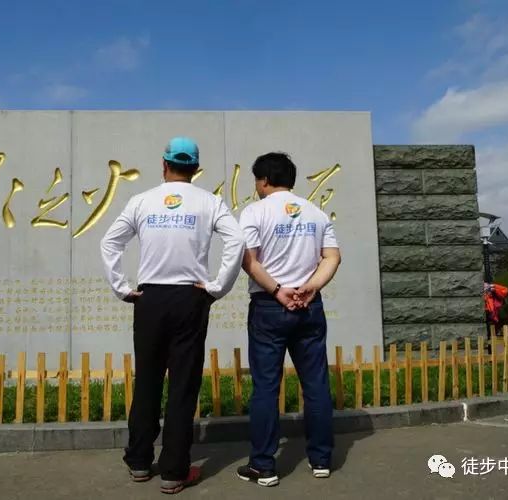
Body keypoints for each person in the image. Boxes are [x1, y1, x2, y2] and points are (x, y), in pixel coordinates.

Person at [100, 137, 245, 494]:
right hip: (190, 298)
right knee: (182, 385)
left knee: (147, 379)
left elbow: (110, 242)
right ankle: (174, 471)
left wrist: (122, 287)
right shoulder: (210, 202)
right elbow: (236, 241)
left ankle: (138, 461)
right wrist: (217, 287)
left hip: (149, 298)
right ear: (195, 168)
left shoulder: (142, 200)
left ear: (164, 165)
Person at [235, 152, 341, 487]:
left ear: (264, 180)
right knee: (316, 383)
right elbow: (332, 257)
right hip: (309, 306)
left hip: (269, 306)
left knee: (266, 386)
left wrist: (278, 290)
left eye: (257, 180)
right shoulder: (316, 212)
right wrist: (311, 286)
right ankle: (321, 459)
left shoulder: (255, 212)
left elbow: (248, 260)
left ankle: (264, 466)